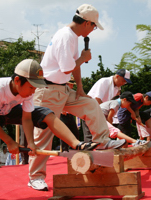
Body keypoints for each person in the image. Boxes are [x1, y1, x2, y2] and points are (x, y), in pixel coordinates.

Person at [0, 59, 97, 200]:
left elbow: (27, 118)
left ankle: (76, 143)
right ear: (17, 80)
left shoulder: (28, 93)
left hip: (11, 110)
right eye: (31, 87)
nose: (33, 91)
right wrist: (10, 141)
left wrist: (31, 143)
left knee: (47, 113)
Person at [29, 4, 126, 191]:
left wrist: (80, 88)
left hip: (63, 89)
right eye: (94, 26)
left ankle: (103, 141)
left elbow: (75, 66)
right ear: (87, 23)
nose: (94, 30)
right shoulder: (66, 37)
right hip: (48, 91)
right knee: (43, 136)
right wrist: (83, 57)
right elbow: (68, 67)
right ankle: (35, 177)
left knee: (89, 104)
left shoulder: (73, 37)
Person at [83, 69, 132, 142]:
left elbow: (110, 104)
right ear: (117, 76)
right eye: (123, 81)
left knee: (99, 136)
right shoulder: (104, 81)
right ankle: (88, 152)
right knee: (90, 136)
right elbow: (98, 99)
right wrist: (102, 116)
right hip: (90, 110)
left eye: (125, 82)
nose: (124, 83)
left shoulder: (117, 88)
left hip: (99, 111)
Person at [59, 77, 80, 151]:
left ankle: (74, 149)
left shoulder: (73, 92)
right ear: (67, 84)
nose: (72, 86)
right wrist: (62, 109)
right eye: (71, 84)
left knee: (75, 133)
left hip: (70, 115)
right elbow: (58, 102)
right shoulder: (61, 91)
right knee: (64, 134)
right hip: (62, 115)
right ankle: (65, 151)